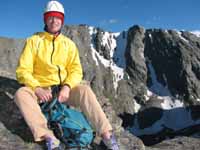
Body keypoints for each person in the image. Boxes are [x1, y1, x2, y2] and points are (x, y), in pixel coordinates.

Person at [14, 1, 119, 150]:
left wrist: (67, 87)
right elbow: (23, 70)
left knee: (84, 90)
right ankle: (49, 137)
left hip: (62, 91)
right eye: (50, 17)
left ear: (62, 20)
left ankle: (107, 136)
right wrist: (37, 88)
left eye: (57, 17)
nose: (54, 20)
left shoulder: (69, 44)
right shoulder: (33, 41)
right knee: (21, 94)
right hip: (40, 90)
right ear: (45, 20)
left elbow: (76, 70)